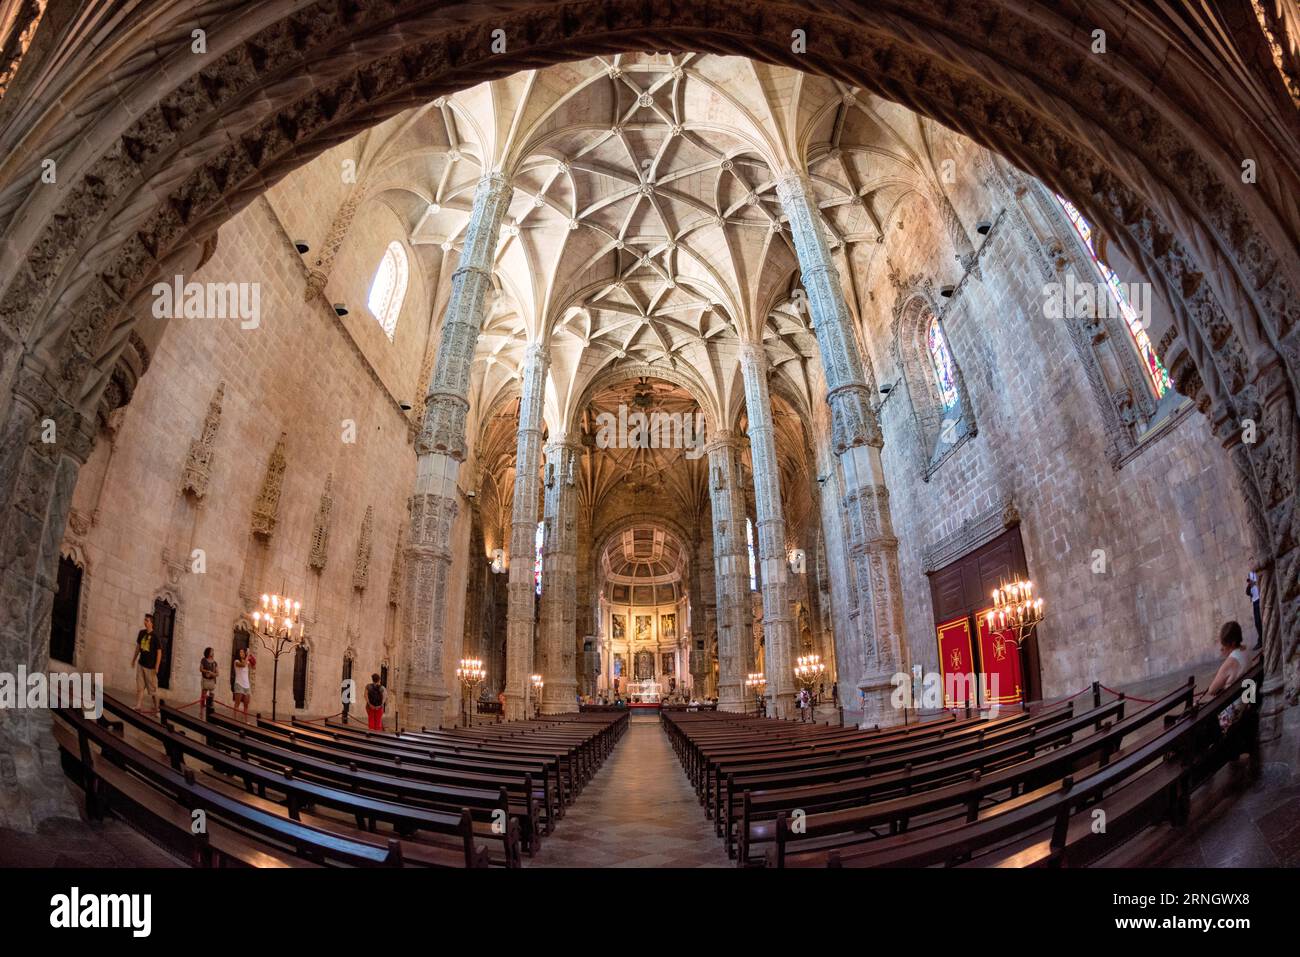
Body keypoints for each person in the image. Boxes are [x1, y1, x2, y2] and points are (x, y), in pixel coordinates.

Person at [131, 613, 161, 713]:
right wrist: (134, 659)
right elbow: (138, 647)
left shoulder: (155, 636)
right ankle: (138, 705)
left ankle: (157, 709)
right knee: (140, 687)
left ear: (151, 623)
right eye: (144, 620)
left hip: (150, 667)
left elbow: (159, 652)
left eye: (147, 620)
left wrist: (157, 666)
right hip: (141, 664)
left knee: (153, 690)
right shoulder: (141, 633)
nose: (145, 622)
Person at [232, 647, 252, 721]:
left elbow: (253, 666)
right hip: (239, 684)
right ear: (238, 654)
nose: (242, 653)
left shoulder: (247, 661)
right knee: (237, 703)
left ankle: (245, 720)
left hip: (247, 685)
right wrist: (247, 656)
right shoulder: (236, 661)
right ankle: (235, 720)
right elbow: (243, 665)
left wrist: (251, 657)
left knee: (246, 704)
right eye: (241, 652)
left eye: (243, 652)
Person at [199, 646, 218, 713]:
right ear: (208, 652)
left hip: (212, 680)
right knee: (203, 695)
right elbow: (201, 669)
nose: (213, 652)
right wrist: (207, 671)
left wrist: (212, 673)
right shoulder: (203, 660)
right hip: (205, 679)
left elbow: (217, 673)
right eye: (211, 651)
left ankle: (209, 711)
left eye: (213, 651)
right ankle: (201, 710)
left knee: (211, 696)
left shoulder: (215, 663)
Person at [1246, 571, 1262, 649]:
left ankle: (1262, 640)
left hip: (1260, 598)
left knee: (1261, 621)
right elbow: (1247, 592)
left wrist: (1254, 582)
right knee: (1257, 623)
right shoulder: (1249, 574)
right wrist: (1249, 585)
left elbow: (1261, 581)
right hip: (1255, 601)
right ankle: (1261, 640)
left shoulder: (1257, 572)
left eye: (1252, 562)